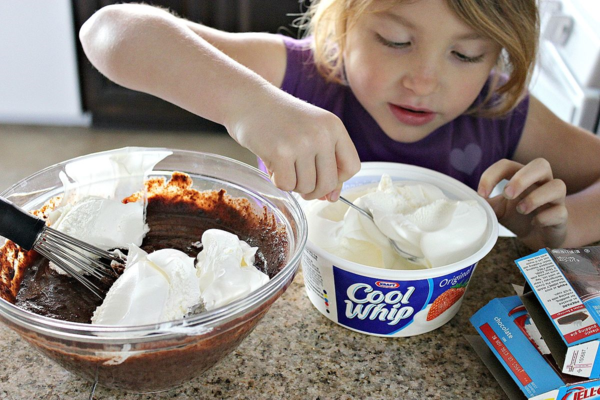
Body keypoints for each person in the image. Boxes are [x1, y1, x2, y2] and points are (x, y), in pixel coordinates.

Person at [79, 0, 600, 251]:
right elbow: (110, 32)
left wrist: (562, 225)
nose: (423, 81)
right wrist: (251, 105)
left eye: (465, 55)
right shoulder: (305, 75)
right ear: (344, 23)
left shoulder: (500, 111)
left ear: (496, 61)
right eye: (396, 41)